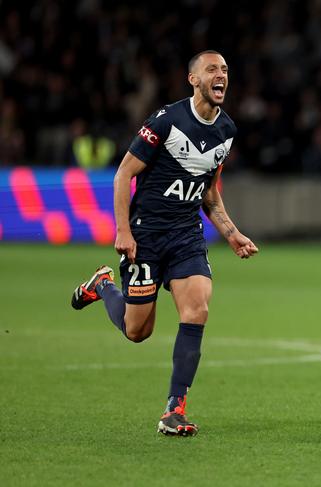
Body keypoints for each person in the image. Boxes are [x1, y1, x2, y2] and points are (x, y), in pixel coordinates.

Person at [71, 50, 258, 436]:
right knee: (138, 330)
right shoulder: (166, 121)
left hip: (186, 234)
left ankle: (175, 409)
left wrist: (231, 231)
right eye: (212, 69)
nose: (220, 75)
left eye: (225, 69)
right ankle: (103, 285)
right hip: (146, 234)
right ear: (193, 80)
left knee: (197, 309)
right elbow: (124, 174)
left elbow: (207, 189)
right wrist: (123, 230)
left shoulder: (227, 130)